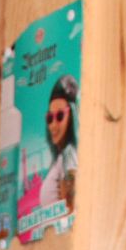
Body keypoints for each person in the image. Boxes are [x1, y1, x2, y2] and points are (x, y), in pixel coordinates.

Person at [39, 73, 79, 213]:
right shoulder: (62, 158)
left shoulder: (69, 155)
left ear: (72, 116)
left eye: (60, 116)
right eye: (50, 118)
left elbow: (70, 212)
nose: (53, 125)